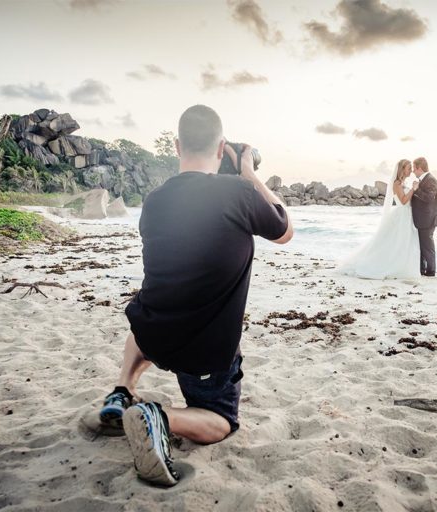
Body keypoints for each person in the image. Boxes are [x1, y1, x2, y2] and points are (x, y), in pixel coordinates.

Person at [98, 104, 293, 486]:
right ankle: (161, 417)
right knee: (221, 422)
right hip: (204, 354)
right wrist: (250, 172)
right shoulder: (238, 192)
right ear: (222, 148)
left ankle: (122, 391)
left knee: (145, 313)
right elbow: (284, 229)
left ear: (176, 146)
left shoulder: (154, 201)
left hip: (154, 334)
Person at [337, 159, 420, 279]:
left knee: (403, 244)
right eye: (408, 168)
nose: (411, 170)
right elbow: (403, 200)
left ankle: (402, 266)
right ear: (402, 170)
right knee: (396, 243)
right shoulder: (396, 184)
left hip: (407, 215)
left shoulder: (403, 184)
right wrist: (413, 189)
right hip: (401, 215)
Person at [411, 157, 437, 276]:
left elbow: (429, 198)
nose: (413, 171)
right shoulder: (423, 180)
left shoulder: (431, 180)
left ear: (419, 168)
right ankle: (422, 269)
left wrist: (416, 190)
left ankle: (431, 271)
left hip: (427, 220)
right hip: (421, 220)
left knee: (427, 247)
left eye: (414, 168)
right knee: (422, 246)